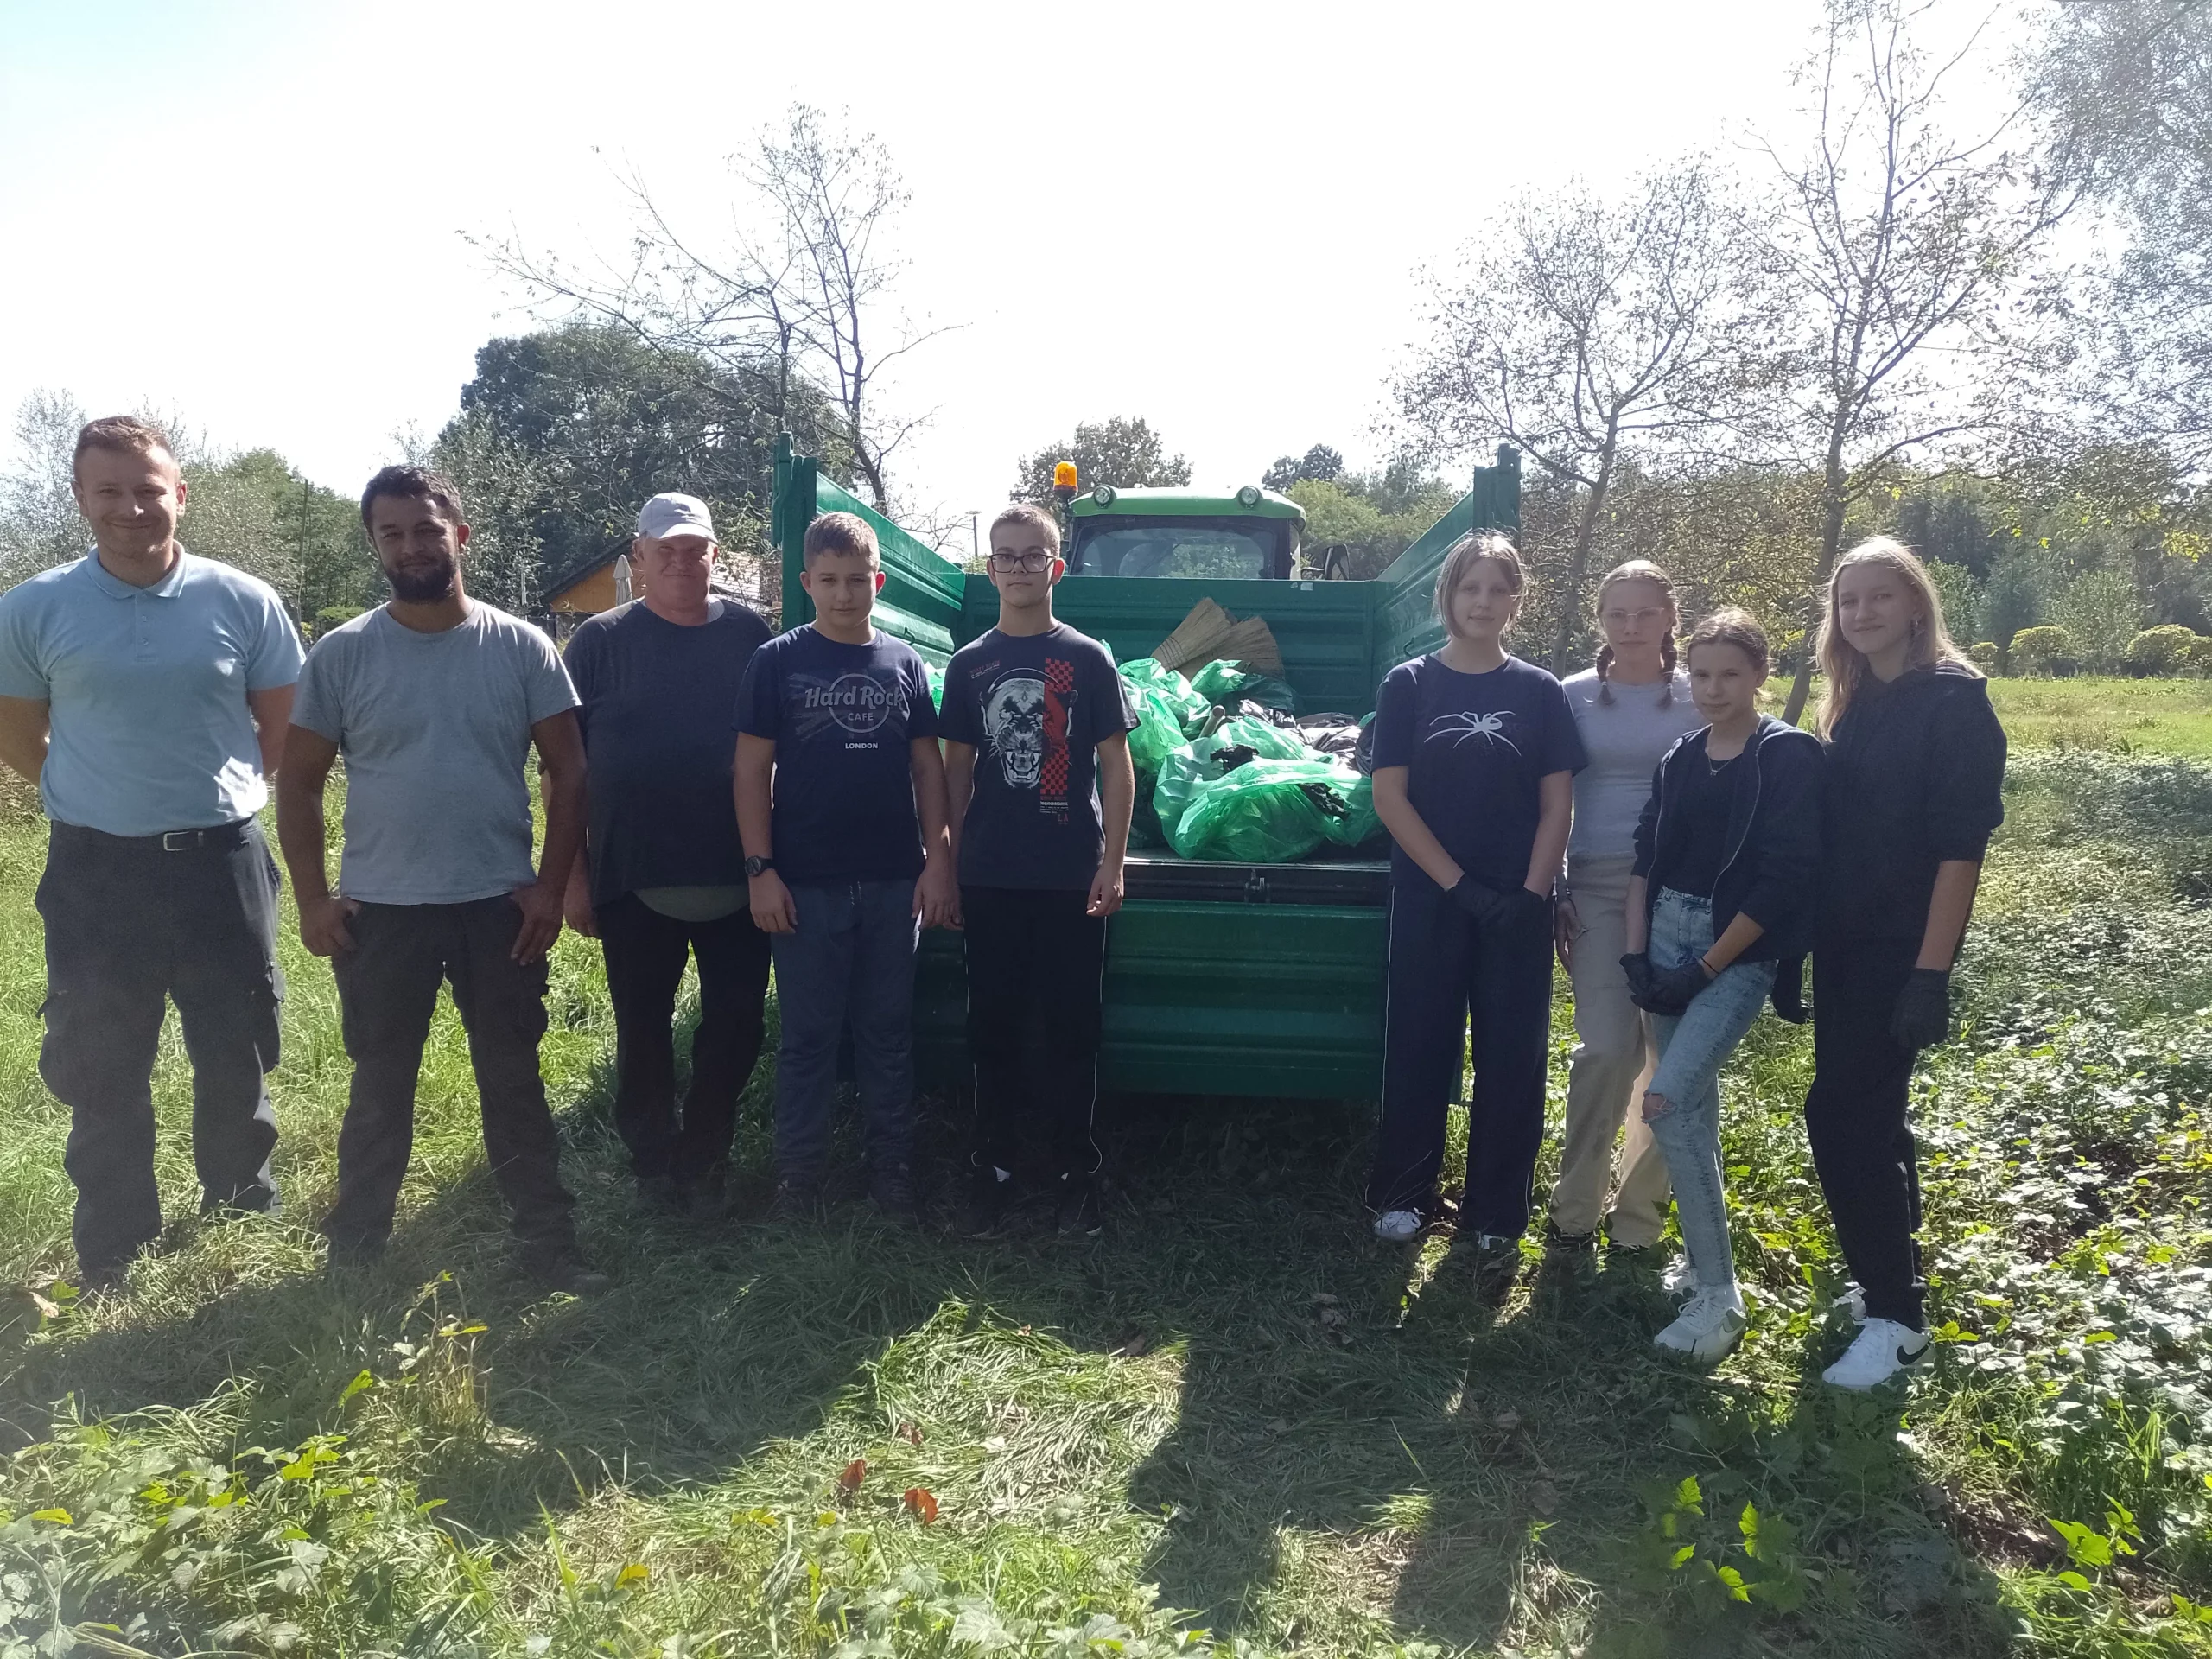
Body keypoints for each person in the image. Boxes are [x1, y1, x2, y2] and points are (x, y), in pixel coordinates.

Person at [276, 464, 606, 1294]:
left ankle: (548, 1248)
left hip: (500, 908)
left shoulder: (522, 646)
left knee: (514, 1083)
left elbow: (570, 774)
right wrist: (313, 898)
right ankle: (356, 1252)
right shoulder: (344, 653)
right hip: (381, 914)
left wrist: (549, 883)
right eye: (392, 533)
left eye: (426, 529)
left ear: (459, 534)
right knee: (380, 1087)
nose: (412, 545)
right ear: (375, 545)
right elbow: (301, 782)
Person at [0, 416, 303, 1289]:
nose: (131, 508)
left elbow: (279, 727)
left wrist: (217, 797)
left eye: (147, 490)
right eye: (109, 492)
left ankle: (242, 1209)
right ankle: (113, 1245)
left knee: (237, 1041)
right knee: (101, 1056)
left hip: (220, 863)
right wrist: (91, 793)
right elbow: (20, 734)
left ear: (180, 494)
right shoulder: (35, 607)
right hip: (98, 870)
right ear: (81, 499)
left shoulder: (242, 601)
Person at [1803, 537, 2005, 1389]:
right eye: (1849, 602)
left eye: (1879, 598)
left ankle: (1897, 1316)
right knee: (1874, 1121)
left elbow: (1959, 852)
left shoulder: (1954, 704)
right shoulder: (1854, 700)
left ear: (1915, 605)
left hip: (1899, 950)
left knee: (1838, 1118)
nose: (1862, 614)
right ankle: (1891, 1280)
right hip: (1843, 946)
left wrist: (1930, 973)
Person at [1365, 532, 1585, 1268]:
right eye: (1470, 589)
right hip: (1432, 899)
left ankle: (1496, 1212)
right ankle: (1403, 1194)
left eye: (1498, 589)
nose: (1483, 603)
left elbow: (1558, 803)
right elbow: (1389, 797)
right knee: (1420, 1045)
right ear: (1448, 597)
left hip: (1517, 904)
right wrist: (1458, 886)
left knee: (1512, 1058)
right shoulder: (1410, 684)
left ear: (1517, 601)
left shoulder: (1539, 691)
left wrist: (1529, 892)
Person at [734, 511, 955, 1221]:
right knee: (807, 1040)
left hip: (895, 883)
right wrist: (759, 868)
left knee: (888, 1036)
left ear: (878, 582)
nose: (844, 594)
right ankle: (799, 1178)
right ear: (807, 583)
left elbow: (928, 770)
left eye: (858, 580)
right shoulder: (777, 661)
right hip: (805, 885)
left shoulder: (904, 663)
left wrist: (936, 861)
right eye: (829, 581)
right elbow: (749, 771)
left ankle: (892, 1170)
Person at [563, 493, 772, 1220]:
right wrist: (574, 879)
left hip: (739, 874)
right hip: (632, 876)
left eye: (697, 549)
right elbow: (567, 769)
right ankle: (653, 1164)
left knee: (738, 1023)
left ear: (715, 555)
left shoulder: (752, 634)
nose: (683, 561)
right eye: (667, 549)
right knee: (642, 1028)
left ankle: (705, 1154)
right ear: (640, 555)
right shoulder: (598, 642)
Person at [1623, 609, 1820, 1362]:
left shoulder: (1789, 756)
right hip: (1665, 935)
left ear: (1759, 675)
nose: (1712, 688)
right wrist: (1638, 959)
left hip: (1736, 953)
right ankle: (1706, 1268)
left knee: (1666, 1102)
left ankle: (1720, 1300)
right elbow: (1647, 860)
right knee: (1693, 1114)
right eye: (1701, 674)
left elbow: (1784, 879)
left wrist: (1701, 971)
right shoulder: (1680, 755)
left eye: (1730, 674)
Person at [938, 504, 1137, 1238]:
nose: (1020, 567)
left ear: (1057, 567)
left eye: (1033, 555)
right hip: (989, 876)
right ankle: (991, 1168)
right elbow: (955, 771)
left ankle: (1071, 1175)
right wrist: (948, 864)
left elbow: (1117, 771)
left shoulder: (1089, 658)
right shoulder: (968, 665)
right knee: (991, 1029)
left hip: (1068, 879)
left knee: (1071, 1032)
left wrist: (1111, 863)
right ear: (989, 569)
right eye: (1006, 555)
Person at [1546, 561, 1702, 1259]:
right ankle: (1574, 1209)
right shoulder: (1571, 696)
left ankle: (1639, 1219)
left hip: (1684, 889)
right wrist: (1554, 886)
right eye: (1617, 614)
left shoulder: (1698, 693)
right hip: (1599, 884)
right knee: (1609, 1047)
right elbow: (1546, 800)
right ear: (1600, 620)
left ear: (1670, 617)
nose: (1631, 626)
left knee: (1669, 1061)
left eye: (1645, 613)